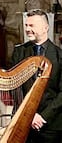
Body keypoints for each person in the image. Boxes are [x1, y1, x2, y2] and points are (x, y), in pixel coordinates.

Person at [11, 9, 62, 143]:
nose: (27, 29)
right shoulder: (19, 52)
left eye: (32, 25)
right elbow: (14, 88)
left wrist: (42, 117)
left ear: (45, 28)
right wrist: (28, 115)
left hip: (52, 125)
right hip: (23, 123)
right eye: (26, 25)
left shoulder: (59, 55)